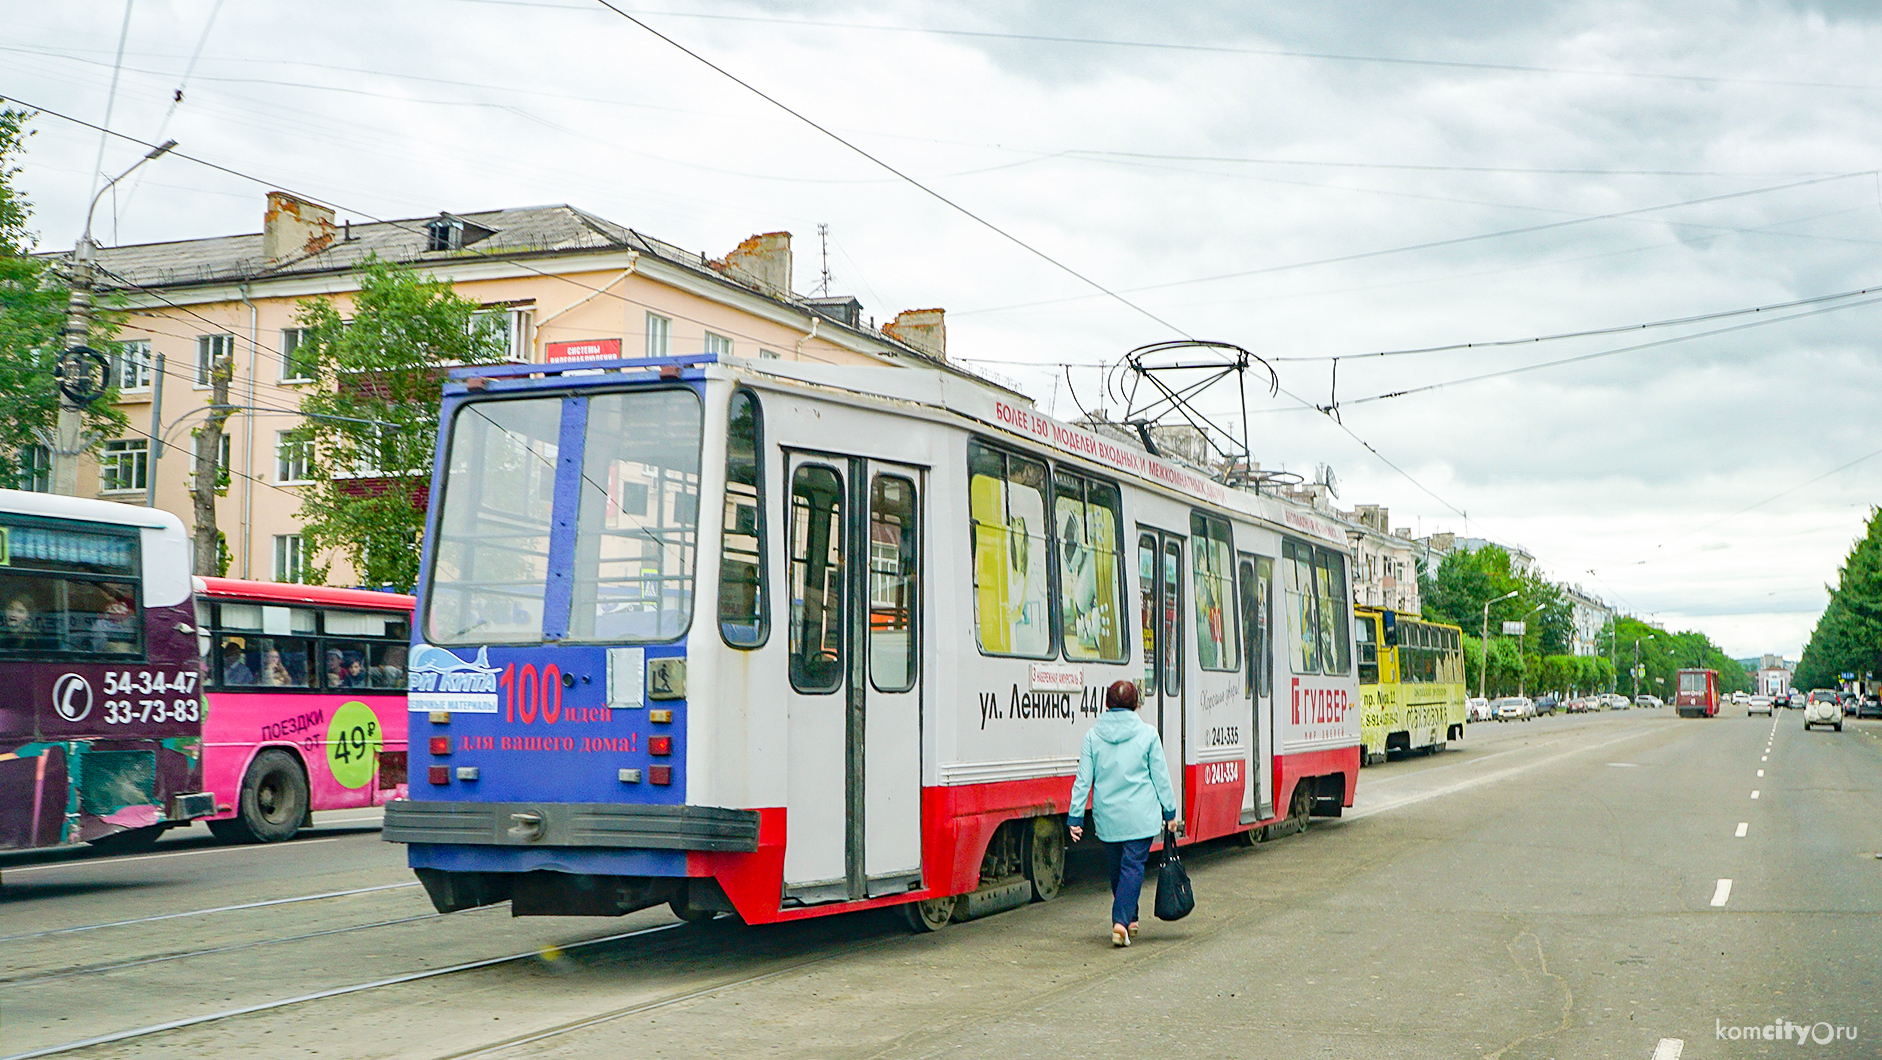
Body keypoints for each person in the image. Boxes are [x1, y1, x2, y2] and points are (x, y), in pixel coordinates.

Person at [1066, 680, 1180, 948]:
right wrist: (1170, 811)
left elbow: (1083, 780)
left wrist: (1075, 817)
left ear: (1107, 704)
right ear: (1135, 704)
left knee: (1118, 870)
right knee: (1132, 868)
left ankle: (1131, 918)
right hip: (1141, 817)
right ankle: (1120, 921)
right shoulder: (1148, 734)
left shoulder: (1093, 736)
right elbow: (1160, 777)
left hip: (1108, 818)